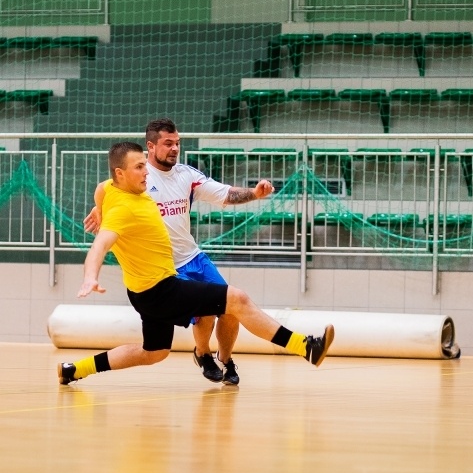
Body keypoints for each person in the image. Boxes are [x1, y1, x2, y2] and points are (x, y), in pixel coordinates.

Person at [59, 141, 334, 385]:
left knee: (153, 352)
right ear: (120, 173)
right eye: (139, 167)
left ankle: (73, 369)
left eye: (145, 164)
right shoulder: (122, 210)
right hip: (161, 289)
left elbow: (100, 191)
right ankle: (305, 346)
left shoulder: (109, 189)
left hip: (143, 292)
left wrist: (99, 208)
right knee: (237, 299)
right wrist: (90, 276)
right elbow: (100, 244)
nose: (146, 172)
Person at [84, 118, 270, 386]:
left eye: (177, 143)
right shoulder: (138, 175)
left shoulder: (186, 175)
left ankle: (226, 359)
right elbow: (104, 188)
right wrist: (101, 209)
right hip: (165, 269)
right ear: (150, 146)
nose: (174, 148)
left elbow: (225, 194)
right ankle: (203, 353)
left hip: (193, 256)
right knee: (204, 313)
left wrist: (254, 193)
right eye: (168, 143)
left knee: (231, 309)